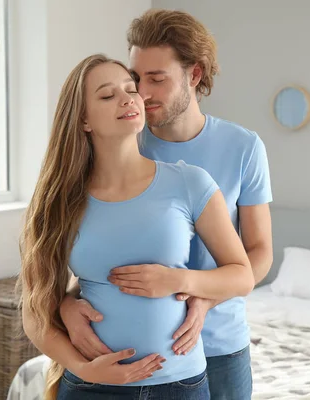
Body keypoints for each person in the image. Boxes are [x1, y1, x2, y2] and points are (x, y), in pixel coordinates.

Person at [59, 9, 274, 400]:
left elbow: (257, 254)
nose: (140, 93)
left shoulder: (243, 148)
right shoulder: (123, 136)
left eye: (156, 79)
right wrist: (65, 304)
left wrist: (203, 299)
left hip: (220, 341)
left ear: (194, 75)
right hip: (125, 354)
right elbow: (94, 242)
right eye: (136, 78)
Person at [18, 54, 255, 400]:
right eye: (107, 95)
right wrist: (83, 367)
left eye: (131, 89)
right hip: (89, 387)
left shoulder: (190, 183)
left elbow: (242, 276)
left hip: (180, 386)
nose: (129, 98)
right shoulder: (59, 200)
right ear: (83, 119)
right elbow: (34, 312)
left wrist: (178, 280)